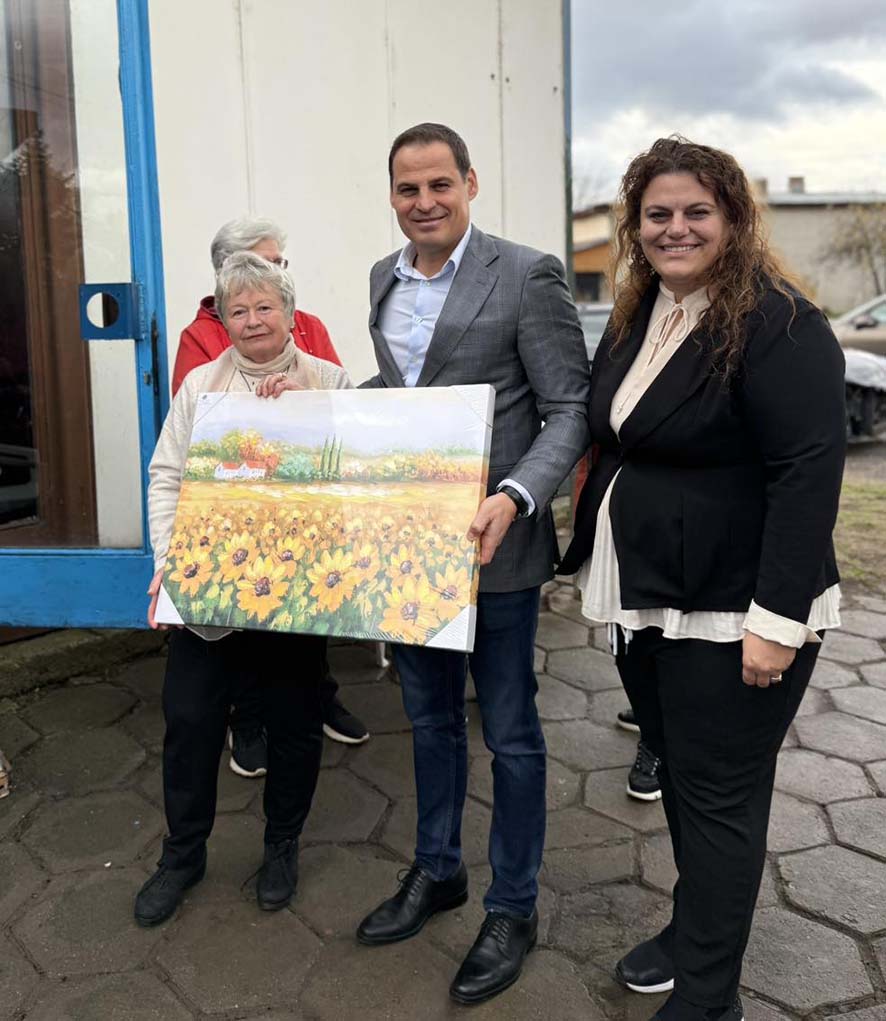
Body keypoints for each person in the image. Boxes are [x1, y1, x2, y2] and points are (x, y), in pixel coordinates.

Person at [558, 137, 845, 1021]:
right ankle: (694, 934)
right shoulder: (641, 311)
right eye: (657, 214)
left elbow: (807, 473)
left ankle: (711, 999)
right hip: (648, 596)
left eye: (696, 212)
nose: (674, 228)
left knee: (719, 798)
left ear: (734, 219)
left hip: (734, 610)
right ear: (635, 226)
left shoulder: (780, 324)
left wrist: (776, 622)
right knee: (682, 777)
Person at [355, 122, 590, 1005]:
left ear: (470, 183)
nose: (424, 203)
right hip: (412, 548)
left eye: (439, 185)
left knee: (512, 732)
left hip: (499, 546)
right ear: (392, 194)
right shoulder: (381, 279)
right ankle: (438, 867)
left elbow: (570, 408)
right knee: (427, 719)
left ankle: (513, 906)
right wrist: (315, 413)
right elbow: (402, 397)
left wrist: (516, 495)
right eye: (408, 188)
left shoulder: (527, 274)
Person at [135, 253, 351, 927]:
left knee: (293, 721)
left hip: (296, 590)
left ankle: (281, 844)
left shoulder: (329, 380)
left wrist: (306, 415)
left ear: (290, 313)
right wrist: (169, 560)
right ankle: (182, 854)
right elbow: (167, 476)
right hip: (210, 586)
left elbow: (356, 476)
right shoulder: (201, 385)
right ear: (222, 320)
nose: (253, 320)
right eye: (238, 310)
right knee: (190, 719)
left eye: (265, 307)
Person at [172, 217, 368, 771]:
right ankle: (248, 719)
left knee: (302, 634)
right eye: (266, 261)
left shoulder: (307, 326)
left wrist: (305, 407)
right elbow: (201, 432)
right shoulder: (203, 340)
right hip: (236, 511)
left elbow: (342, 409)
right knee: (243, 624)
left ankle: (316, 704)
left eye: (279, 265)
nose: (276, 271)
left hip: (304, 519)